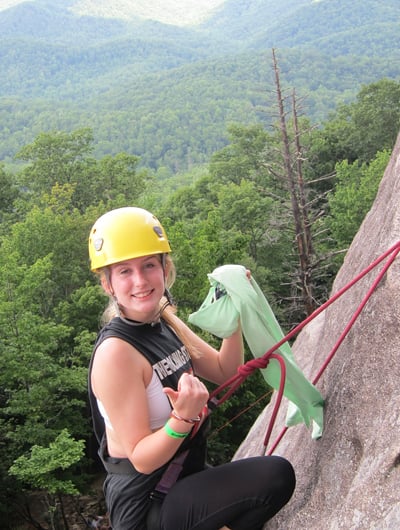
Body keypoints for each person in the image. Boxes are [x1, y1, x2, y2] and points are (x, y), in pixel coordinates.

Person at [87, 206, 296, 530]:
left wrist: (233, 316)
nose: (140, 280)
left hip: (183, 480)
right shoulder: (116, 354)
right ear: (108, 284)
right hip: (148, 505)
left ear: (164, 268)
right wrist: (182, 418)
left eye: (148, 265)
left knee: (275, 480)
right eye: (124, 271)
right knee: (275, 475)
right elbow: (141, 458)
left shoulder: (165, 320)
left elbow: (225, 371)